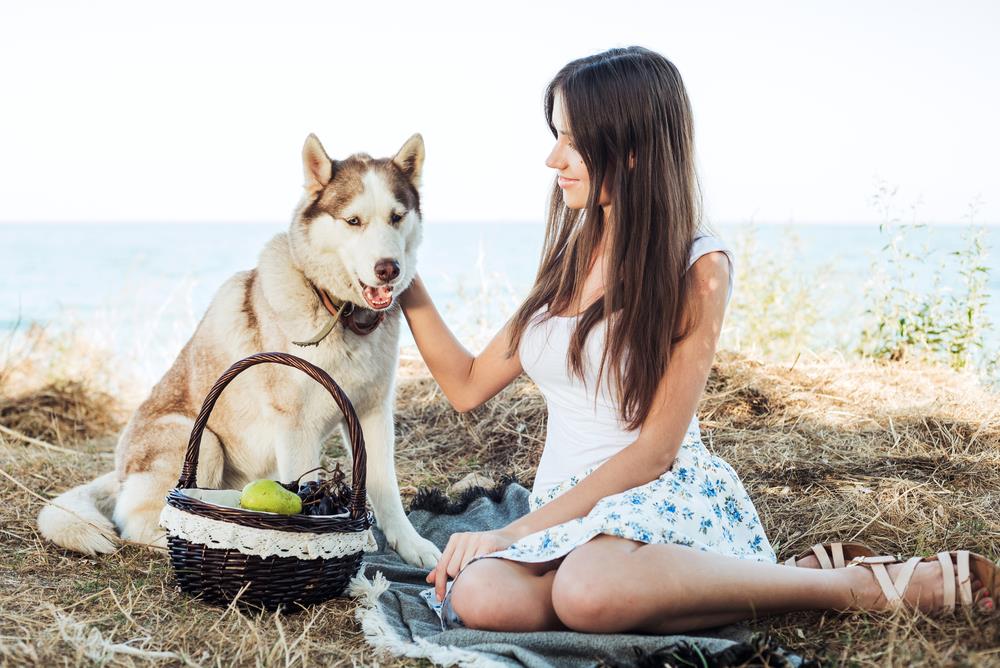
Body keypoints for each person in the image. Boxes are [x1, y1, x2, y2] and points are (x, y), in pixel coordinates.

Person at [398, 46, 996, 634]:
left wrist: (510, 533)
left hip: (656, 497)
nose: (553, 158)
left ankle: (843, 587)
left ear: (632, 148)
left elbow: (655, 450)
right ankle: (693, 586)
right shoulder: (571, 255)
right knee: (478, 595)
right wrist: (395, 266)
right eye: (556, 134)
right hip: (562, 508)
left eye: (573, 139)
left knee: (588, 591)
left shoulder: (698, 265)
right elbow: (467, 384)